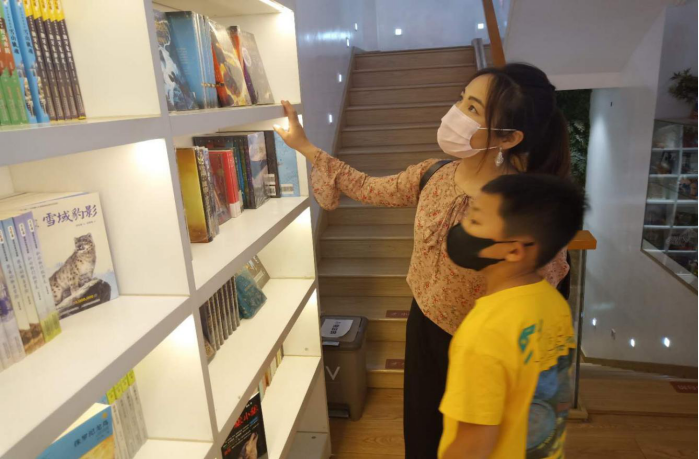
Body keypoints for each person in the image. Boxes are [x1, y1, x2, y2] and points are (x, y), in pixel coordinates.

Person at [274, 62, 572, 459]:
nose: (455, 114)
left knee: (480, 439)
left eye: (473, 109)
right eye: (461, 100)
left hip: (484, 343)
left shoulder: (522, 208)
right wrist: (305, 146)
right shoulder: (433, 174)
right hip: (425, 325)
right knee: (422, 433)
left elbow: (542, 292)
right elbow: (366, 186)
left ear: (509, 137)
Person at [439, 173, 586, 459]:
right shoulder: (553, 303)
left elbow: (473, 444)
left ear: (514, 250)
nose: (462, 226)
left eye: (475, 220)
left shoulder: (484, 332)